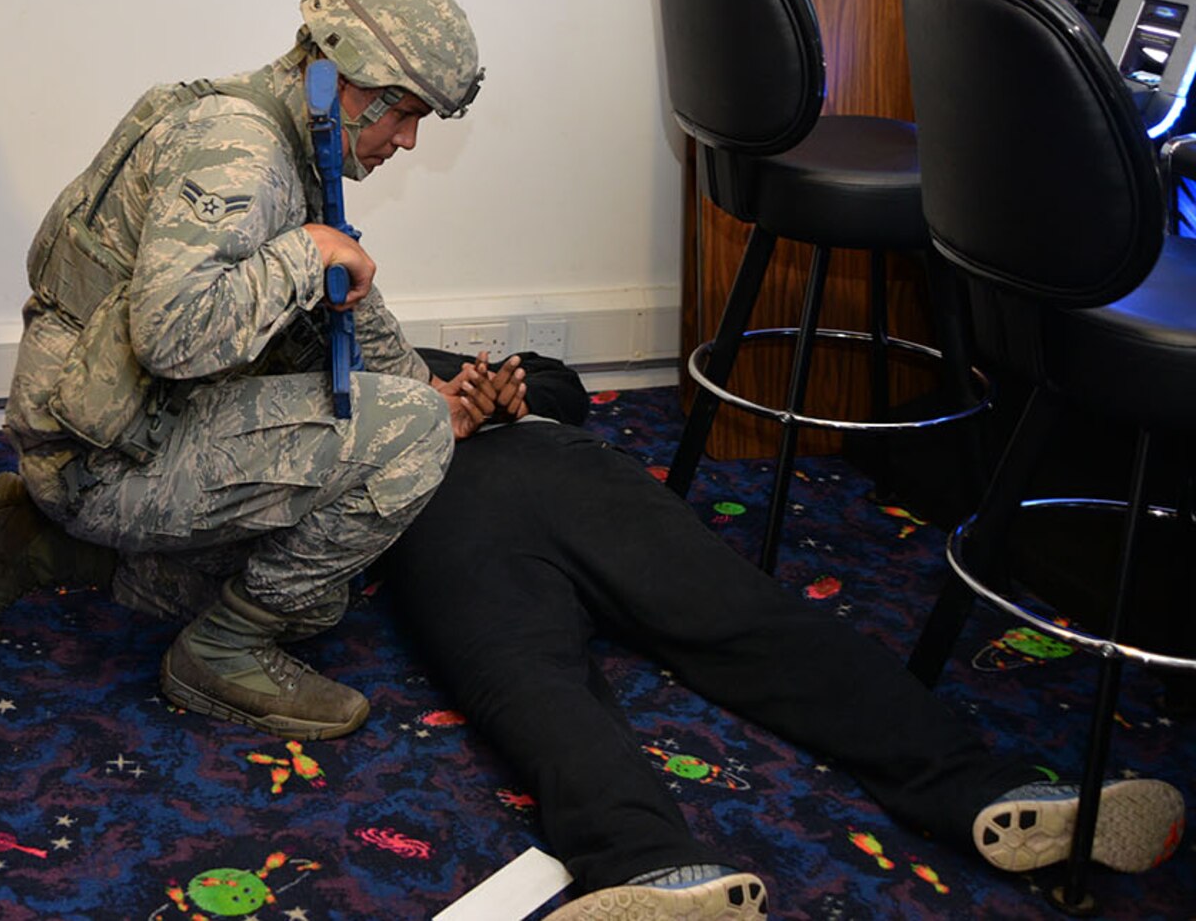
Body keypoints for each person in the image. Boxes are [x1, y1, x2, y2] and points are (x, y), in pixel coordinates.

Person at [372, 356, 1187, 920]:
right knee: (529, 679)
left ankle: (990, 789)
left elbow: (565, 384)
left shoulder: (417, 342)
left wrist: (509, 392)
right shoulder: (319, 381)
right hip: (438, 512)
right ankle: (648, 862)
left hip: (561, 468)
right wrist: (417, 417)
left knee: (751, 618)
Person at [0, 0, 506, 742]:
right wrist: (312, 263)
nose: (408, 140)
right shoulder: (243, 154)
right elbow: (174, 333)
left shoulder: (282, 127)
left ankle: (46, 547)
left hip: (108, 425)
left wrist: (424, 388)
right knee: (386, 467)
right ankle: (221, 649)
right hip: (103, 452)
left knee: (323, 589)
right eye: (404, 114)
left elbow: (340, 295)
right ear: (354, 84)